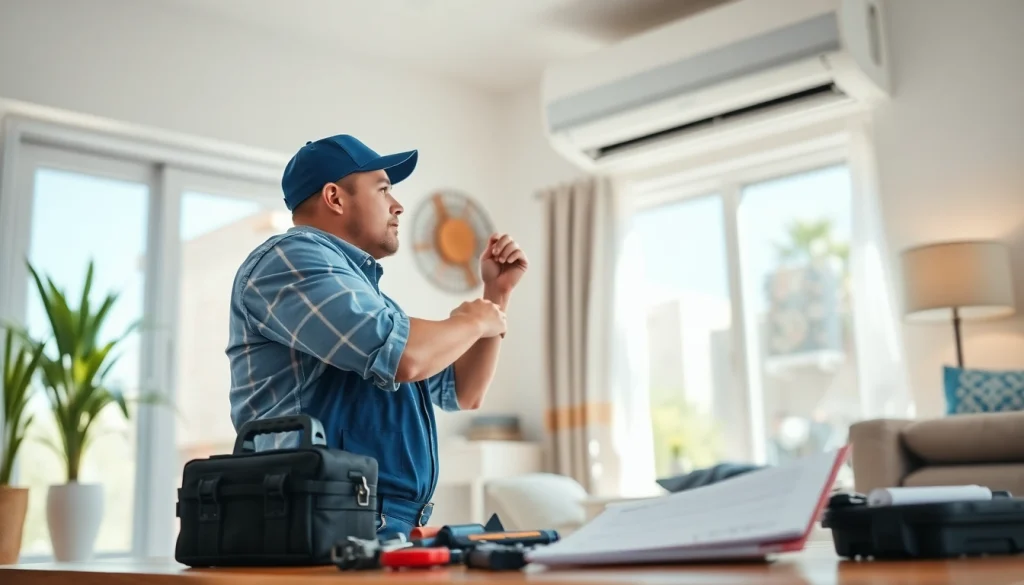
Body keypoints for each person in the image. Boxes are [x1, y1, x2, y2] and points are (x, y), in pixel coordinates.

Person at [225, 134, 527, 537]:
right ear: (335, 197)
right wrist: (471, 320)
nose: (398, 204)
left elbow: (463, 390)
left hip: (372, 521)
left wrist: (496, 295)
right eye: (384, 189)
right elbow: (408, 358)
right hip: (315, 518)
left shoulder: (367, 300)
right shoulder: (290, 259)